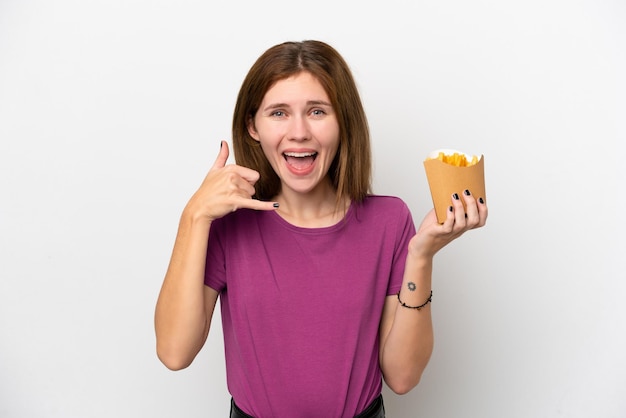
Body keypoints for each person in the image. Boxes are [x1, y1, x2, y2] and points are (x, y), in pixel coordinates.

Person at [154, 40, 488, 418]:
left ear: (343, 122)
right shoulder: (228, 224)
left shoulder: (389, 221)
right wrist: (194, 215)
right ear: (252, 126)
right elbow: (174, 352)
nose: (299, 132)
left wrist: (422, 255)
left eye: (317, 111)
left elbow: (403, 376)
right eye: (279, 113)